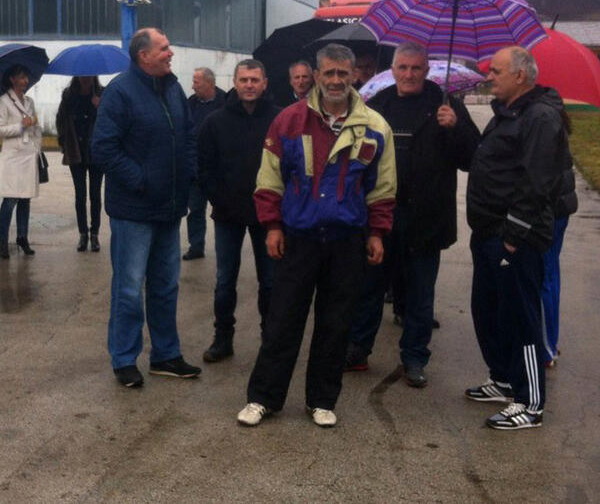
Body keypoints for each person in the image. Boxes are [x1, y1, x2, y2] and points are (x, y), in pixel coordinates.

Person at [237, 43, 395, 428]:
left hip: (347, 240)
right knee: (282, 320)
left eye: (343, 73)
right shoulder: (288, 121)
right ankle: (263, 398)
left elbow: (383, 188)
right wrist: (272, 225)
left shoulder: (375, 126)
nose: (336, 80)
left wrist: (377, 233)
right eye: (329, 73)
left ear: (354, 74)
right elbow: (269, 178)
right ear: (317, 76)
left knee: (336, 323)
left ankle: (322, 400)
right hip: (299, 237)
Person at [344, 42, 480, 386]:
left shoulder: (447, 106)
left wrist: (455, 129)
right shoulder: (377, 105)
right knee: (370, 288)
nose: (408, 74)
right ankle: (358, 349)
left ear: (426, 70)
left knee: (420, 295)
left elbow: (473, 159)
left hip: (427, 218)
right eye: (402, 68)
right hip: (381, 217)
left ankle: (415, 357)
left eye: (415, 68)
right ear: (392, 70)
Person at [92, 28, 202, 388]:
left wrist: (185, 177)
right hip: (134, 211)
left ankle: (165, 356)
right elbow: (104, 148)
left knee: (165, 286)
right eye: (164, 48)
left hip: (169, 208)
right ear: (144, 55)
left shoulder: (172, 88)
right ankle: (124, 358)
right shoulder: (120, 92)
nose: (171, 53)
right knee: (128, 288)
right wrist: (142, 180)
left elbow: (187, 136)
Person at [465, 46, 566, 430]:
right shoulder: (508, 113)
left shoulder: (539, 117)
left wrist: (513, 235)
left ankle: (530, 403)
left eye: (496, 71)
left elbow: (538, 181)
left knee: (521, 318)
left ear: (519, 76)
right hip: (488, 231)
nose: (489, 76)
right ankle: (505, 379)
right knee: (489, 311)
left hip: (514, 239)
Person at [198, 58, 280, 363]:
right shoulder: (215, 122)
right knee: (224, 281)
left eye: (255, 80)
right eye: (244, 79)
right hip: (228, 215)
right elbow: (203, 167)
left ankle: (270, 339)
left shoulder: (279, 120)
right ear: (234, 82)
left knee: (270, 282)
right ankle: (223, 337)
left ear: (264, 83)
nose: (249, 85)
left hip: (268, 216)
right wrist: (219, 199)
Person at [0, 64, 41, 259]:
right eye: (21, 77)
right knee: (10, 199)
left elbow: (35, 126)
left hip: (29, 155)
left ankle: (23, 237)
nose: (25, 81)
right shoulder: (3, 102)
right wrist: (20, 125)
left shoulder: (29, 101)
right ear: (12, 79)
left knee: (25, 198)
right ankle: (2, 240)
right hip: (13, 157)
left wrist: (37, 145)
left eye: (26, 77)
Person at [542, 110, 577, 366]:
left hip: (547, 210)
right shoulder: (553, 114)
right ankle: (550, 341)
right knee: (550, 274)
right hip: (559, 208)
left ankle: (546, 347)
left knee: (542, 277)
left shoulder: (541, 117)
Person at [55, 75, 104, 252]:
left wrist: (100, 107)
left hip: (96, 152)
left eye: (89, 76)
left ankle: (95, 234)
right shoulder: (69, 95)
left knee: (95, 195)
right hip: (76, 151)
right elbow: (60, 120)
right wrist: (64, 144)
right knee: (80, 195)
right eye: (82, 76)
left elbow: (111, 119)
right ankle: (83, 234)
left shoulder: (101, 94)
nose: (86, 79)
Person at [182, 67, 226, 260]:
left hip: (219, 170)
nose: (192, 86)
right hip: (196, 167)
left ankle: (224, 248)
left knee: (223, 211)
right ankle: (196, 246)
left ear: (209, 83)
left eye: (196, 82)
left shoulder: (226, 102)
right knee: (195, 210)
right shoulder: (190, 103)